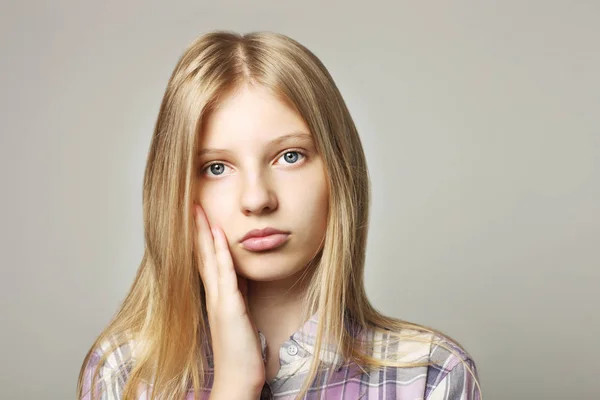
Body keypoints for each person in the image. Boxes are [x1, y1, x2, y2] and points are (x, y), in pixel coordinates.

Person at [77, 30, 481, 400]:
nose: (257, 199)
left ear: (338, 173)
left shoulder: (428, 375)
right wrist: (235, 384)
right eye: (216, 167)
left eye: (290, 156)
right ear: (175, 190)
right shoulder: (125, 373)